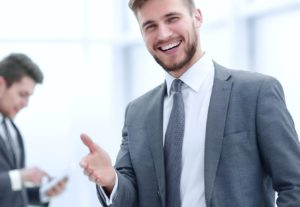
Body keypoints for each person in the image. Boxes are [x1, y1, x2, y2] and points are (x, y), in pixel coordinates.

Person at [80, 0, 300, 206]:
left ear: (197, 17)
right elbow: (130, 196)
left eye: (172, 19)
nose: (164, 34)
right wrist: (110, 179)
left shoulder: (255, 93)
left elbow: (294, 184)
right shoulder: (137, 112)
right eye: (150, 26)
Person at [0, 53, 67, 207]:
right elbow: (15, 180)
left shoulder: (13, 131)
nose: (25, 103)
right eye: (22, 94)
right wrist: (20, 177)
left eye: (29, 97)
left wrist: (44, 193)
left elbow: (12, 192)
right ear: (1, 84)